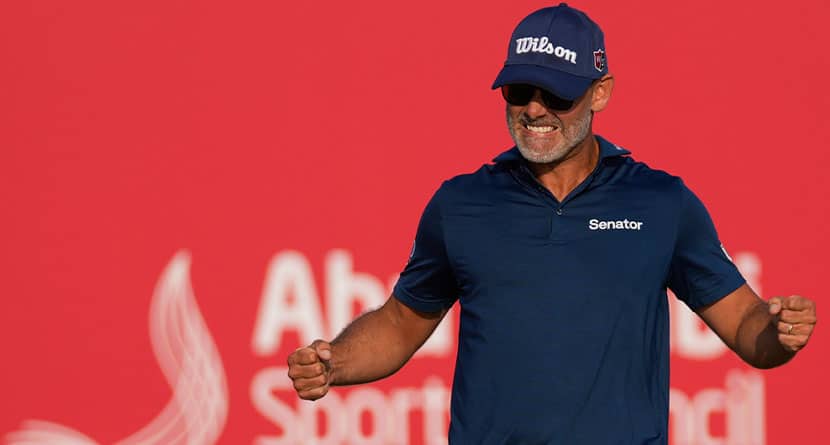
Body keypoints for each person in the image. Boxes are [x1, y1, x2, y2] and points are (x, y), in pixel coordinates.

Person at [287, 3, 817, 443]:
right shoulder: (461, 203)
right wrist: (336, 362)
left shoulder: (661, 202)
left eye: (557, 95)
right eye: (519, 91)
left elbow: (748, 327)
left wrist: (777, 333)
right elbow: (401, 324)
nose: (535, 110)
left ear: (601, 92)